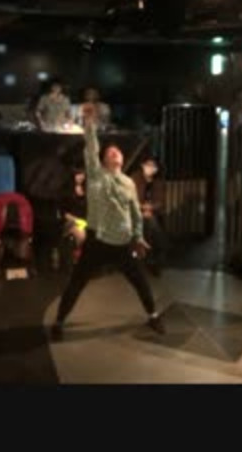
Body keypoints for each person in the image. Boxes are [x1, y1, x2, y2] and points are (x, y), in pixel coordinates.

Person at [51, 104, 165, 340]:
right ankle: (59, 322)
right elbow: (91, 148)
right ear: (102, 160)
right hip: (97, 242)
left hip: (122, 243)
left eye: (117, 151)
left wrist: (138, 237)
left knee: (140, 281)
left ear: (122, 159)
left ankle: (153, 315)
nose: (114, 152)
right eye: (110, 152)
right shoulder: (96, 175)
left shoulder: (128, 183)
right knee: (76, 283)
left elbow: (134, 213)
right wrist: (89, 124)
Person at [130, 157, 168, 275]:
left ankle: (150, 259)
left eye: (154, 166)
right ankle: (150, 260)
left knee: (150, 225)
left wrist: (150, 208)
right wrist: (143, 208)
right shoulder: (135, 178)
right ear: (142, 165)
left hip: (153, 213)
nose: (151, 168)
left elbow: (160, 202)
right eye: (148, 165)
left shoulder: (159, 182)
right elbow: (132, 199)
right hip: (137, 213)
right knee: (151, 225)